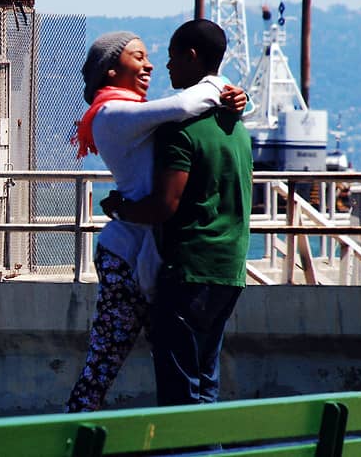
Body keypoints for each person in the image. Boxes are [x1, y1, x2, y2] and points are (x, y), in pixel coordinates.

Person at [64, 30, 246, 412]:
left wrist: (235, 98)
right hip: (128, 255)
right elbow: (181, 108)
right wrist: (222, 84)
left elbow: (187, 110)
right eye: (138, 56)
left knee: (180, 367)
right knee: (104, 364)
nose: (150, 65)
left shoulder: (134, 116)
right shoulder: (113, 115)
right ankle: (70, 437)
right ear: (111, 71)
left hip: (152, 251)